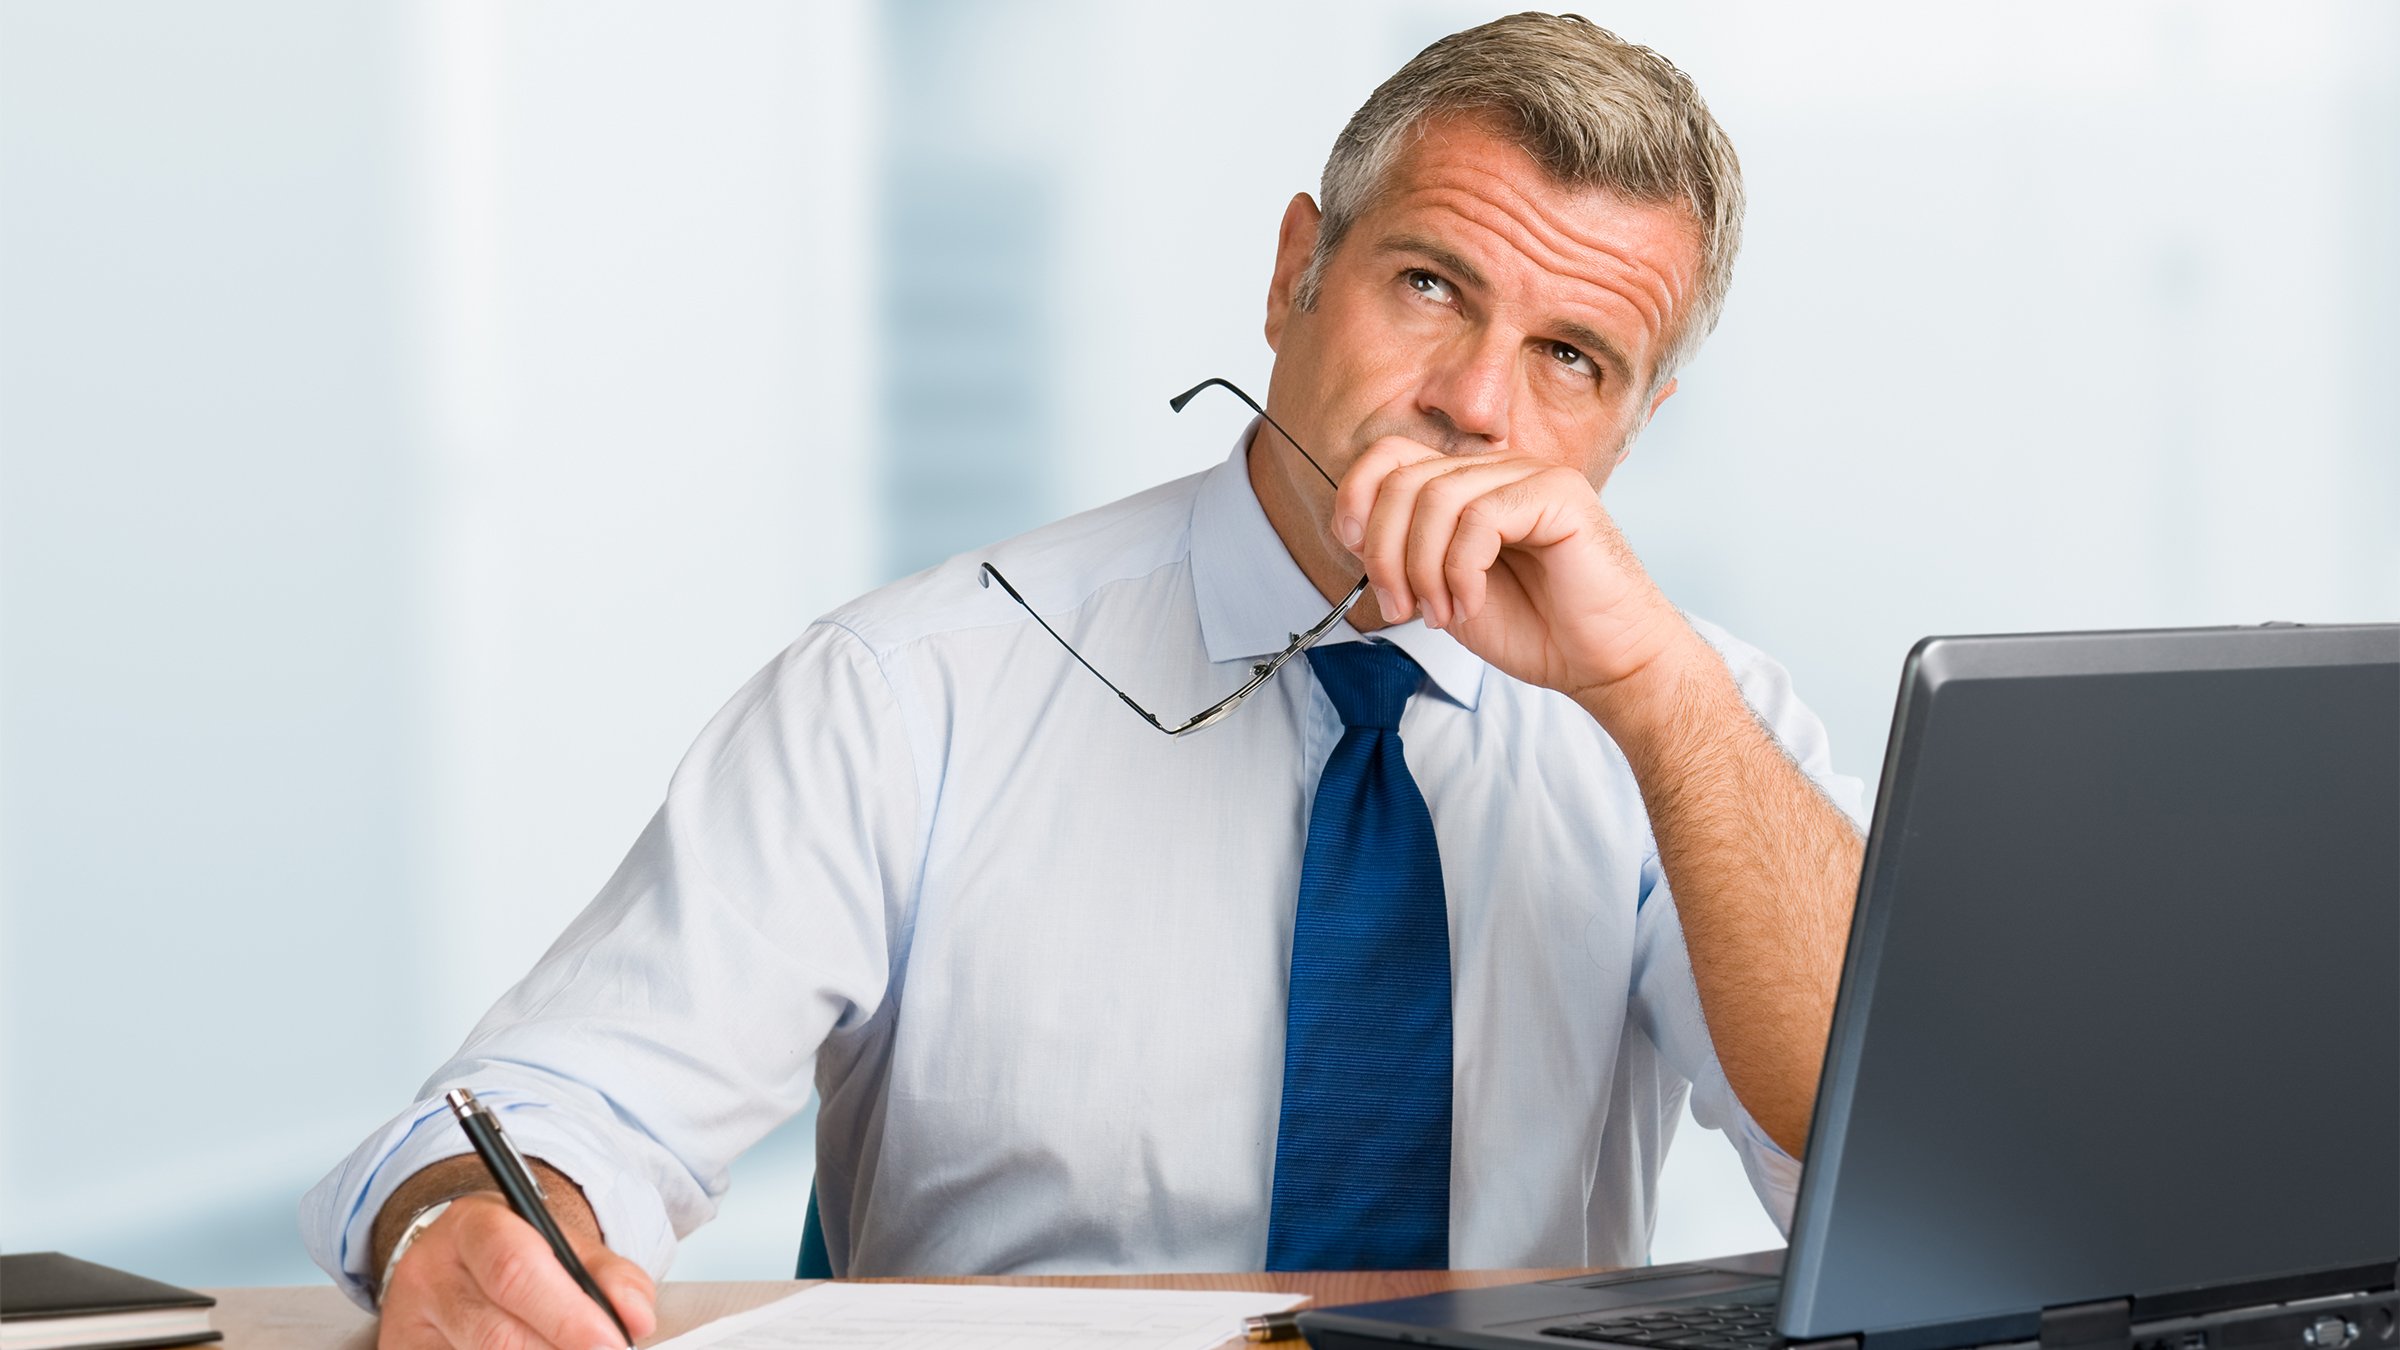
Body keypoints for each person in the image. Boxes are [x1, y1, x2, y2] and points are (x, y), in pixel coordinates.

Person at [305, 13, 1869, 1350]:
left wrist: (1658, 698)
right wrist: (481, 1232)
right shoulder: (908, 686)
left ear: (1634, 423)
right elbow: (555, 1112)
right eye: (1431, 286)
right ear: (1294, 275)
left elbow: (1875, 1168)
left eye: (1571, 358)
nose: (1472, 404)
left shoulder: (1701, 721)